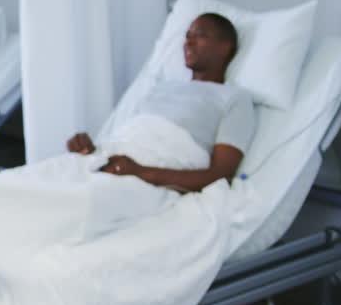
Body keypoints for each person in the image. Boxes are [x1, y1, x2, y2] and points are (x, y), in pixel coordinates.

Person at [65, 12, 255, 192]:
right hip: (111, 162)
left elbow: (221, 175)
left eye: (200, 35)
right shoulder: (160, 88)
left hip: (146, 178)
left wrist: (140, 172)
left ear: (225, 47)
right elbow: (129, 140)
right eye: (187, 36)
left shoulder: (234, 98)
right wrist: (89, 150)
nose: (188, 42)